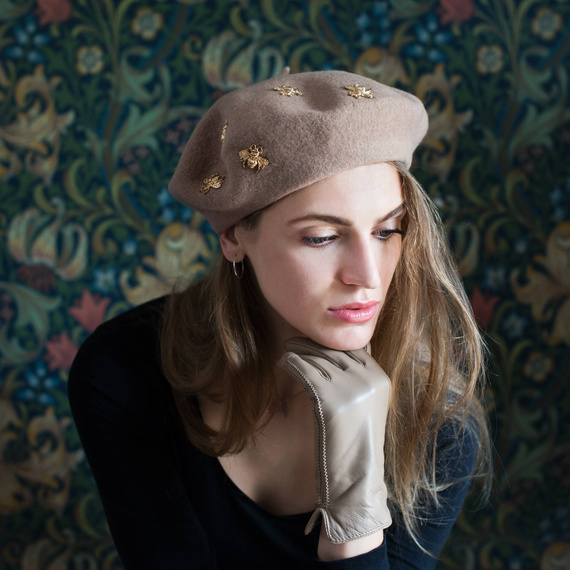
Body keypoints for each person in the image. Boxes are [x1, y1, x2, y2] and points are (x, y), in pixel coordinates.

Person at [68, 68, 490, 569]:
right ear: (233, 237)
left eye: (386, 231)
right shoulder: (124, 369)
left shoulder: (438, 420)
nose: (368, 275)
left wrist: (354, 513)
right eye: (321, 237)